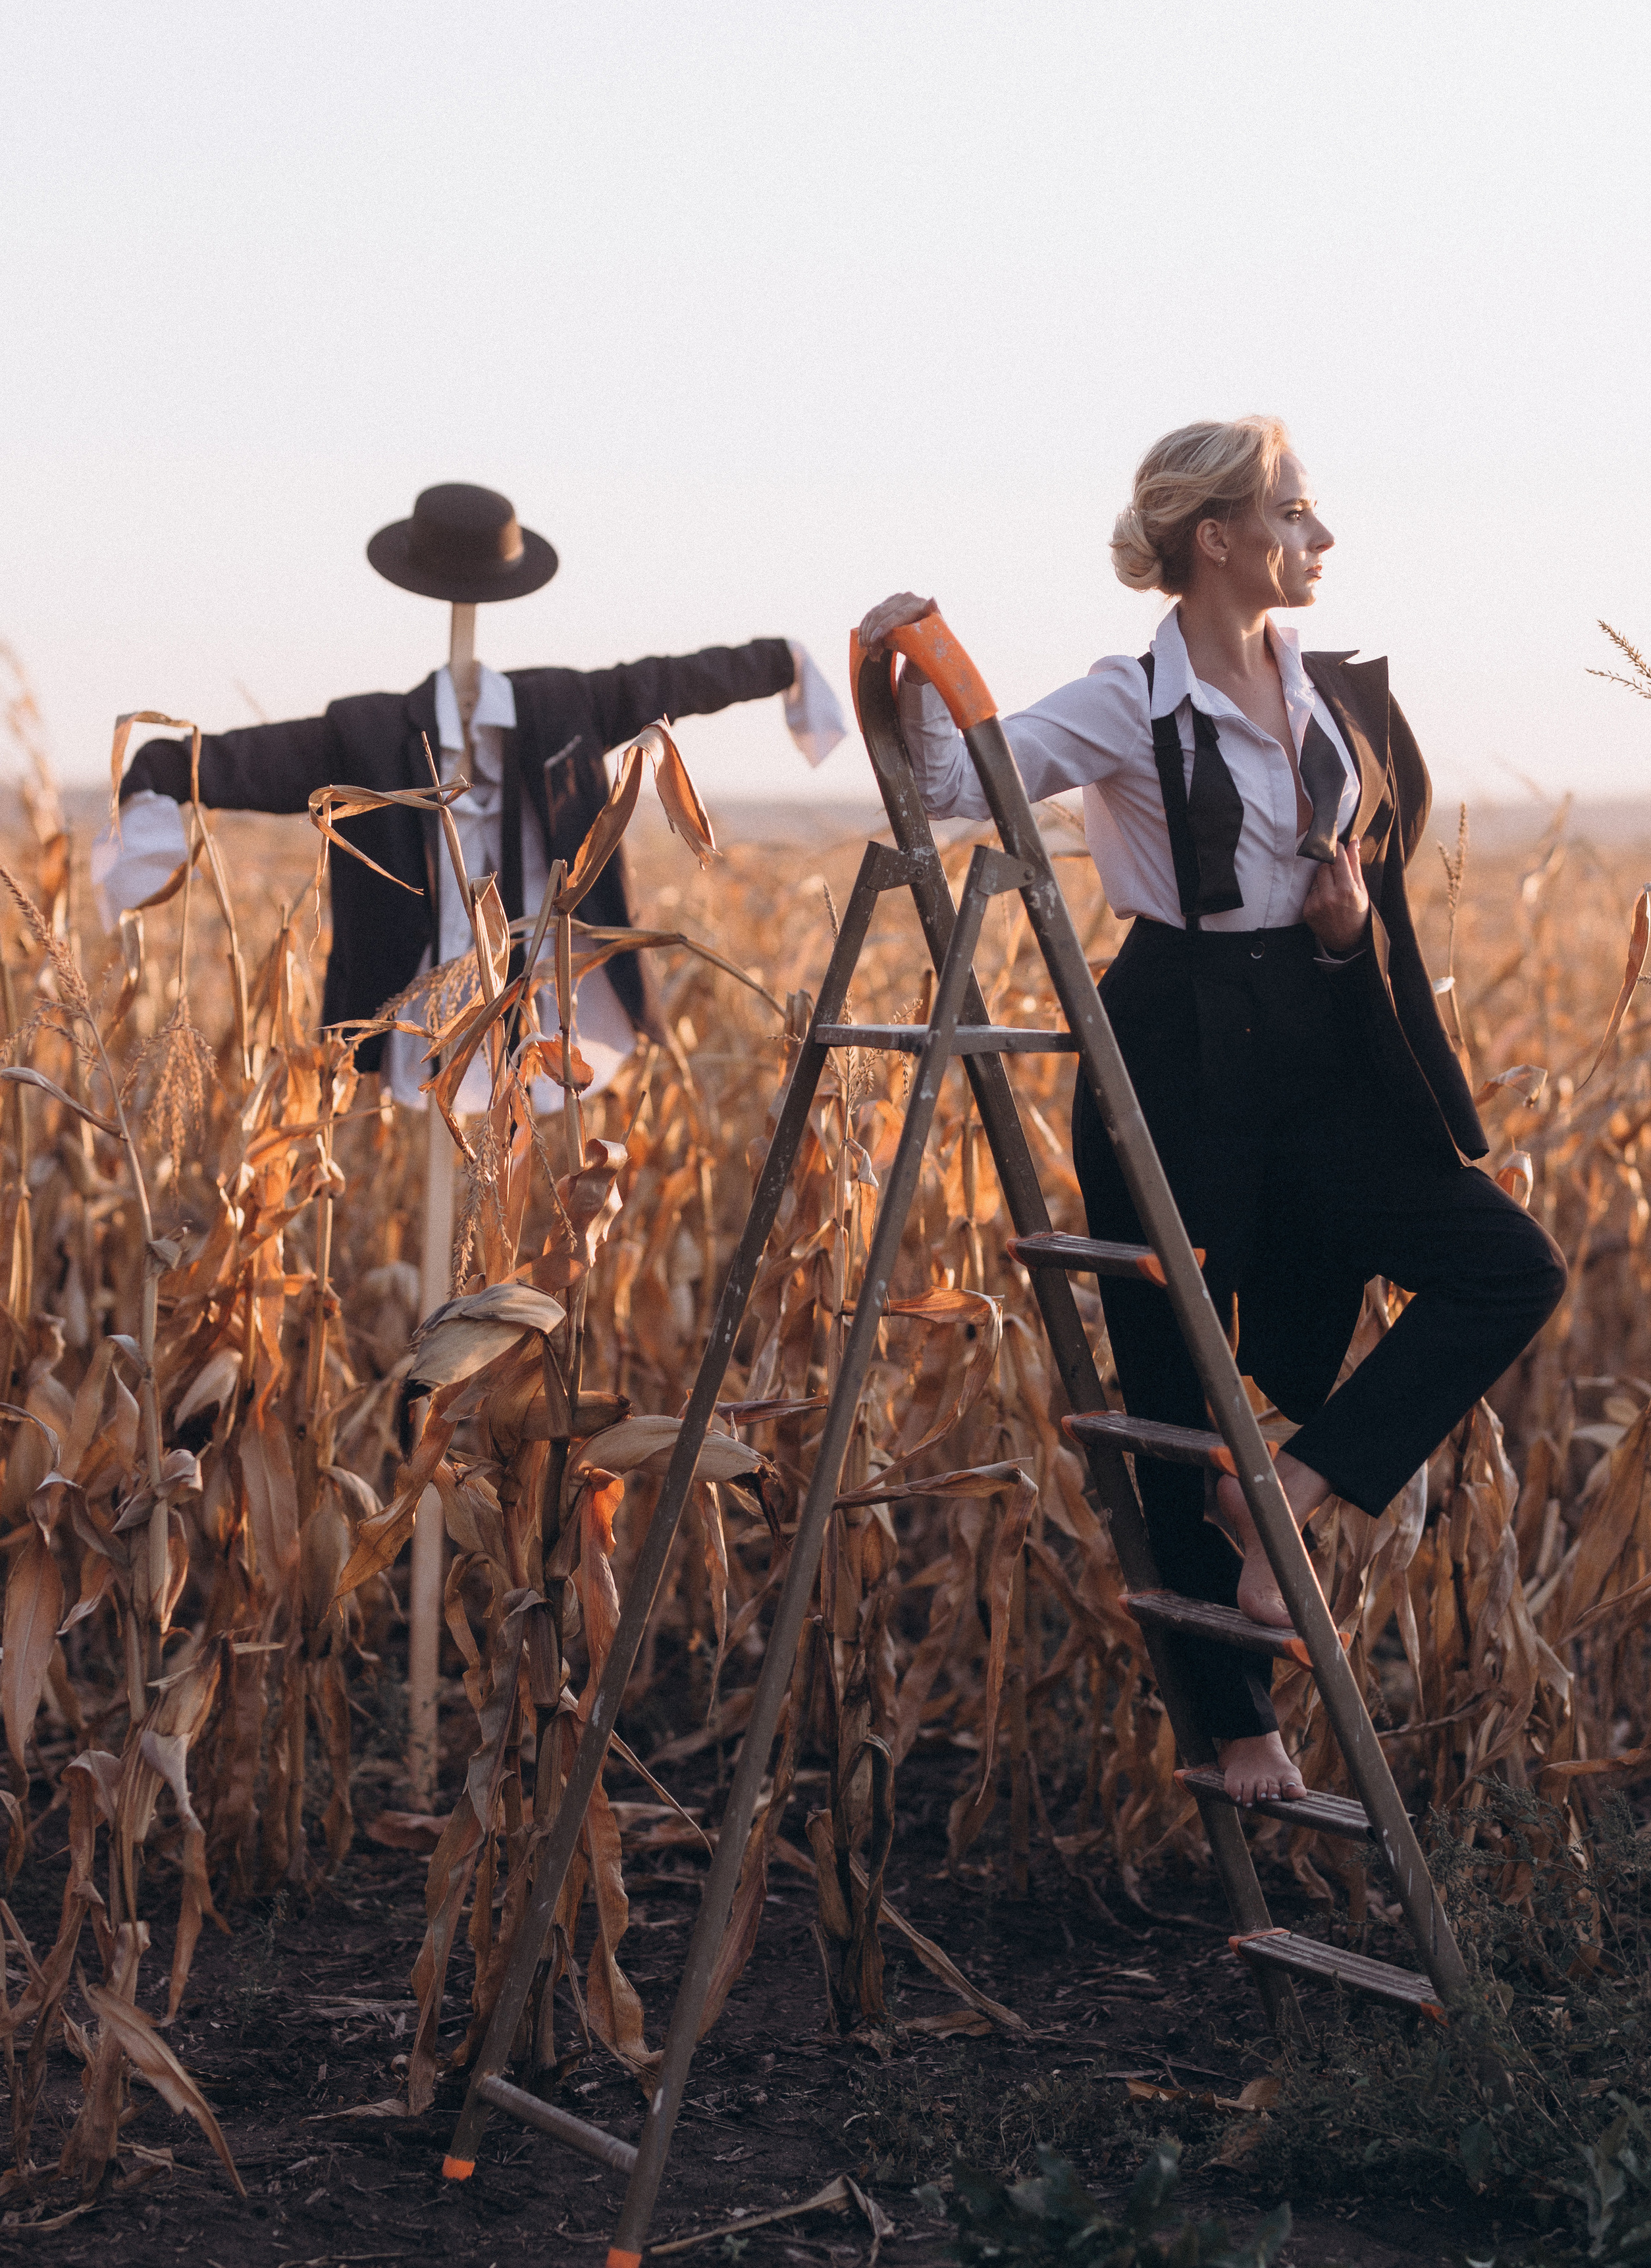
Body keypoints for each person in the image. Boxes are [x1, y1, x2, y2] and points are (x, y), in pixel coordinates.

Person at [858, 416, 1566, 1806]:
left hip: (1315, 1037)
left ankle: (1292, 1490)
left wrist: (1345, 926)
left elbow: (1339, 864)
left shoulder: (1323, 696)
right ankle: (1237, 1729)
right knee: (1171, 1379)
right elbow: (952, 785)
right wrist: (900, 649)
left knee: (1506, 1269)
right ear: (1217, 540)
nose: (1319, 539)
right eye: (1296, 515)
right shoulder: (1132, 700)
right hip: (1172, 1044)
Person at [95, 481, 846, 1106]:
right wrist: (154, 783)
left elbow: (678, 680)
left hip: (554, 1000)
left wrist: (782, 665)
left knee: (518, 1164)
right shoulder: (366, 733)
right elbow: (229, 763)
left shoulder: (563, 707)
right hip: (411, 1002)